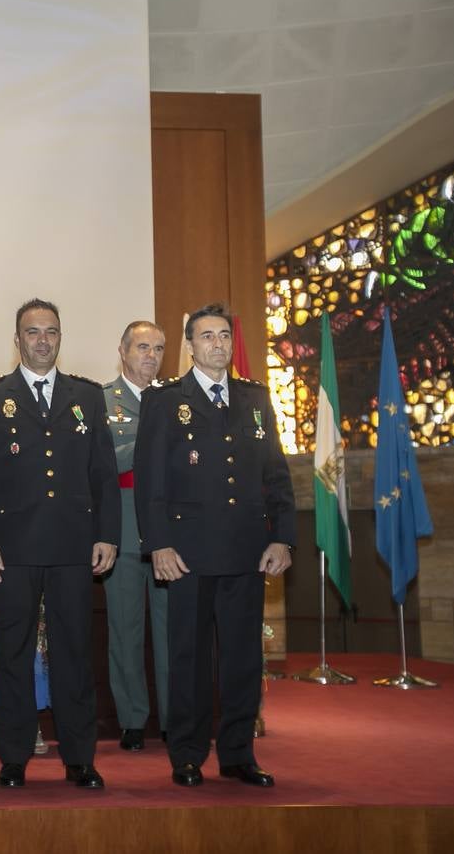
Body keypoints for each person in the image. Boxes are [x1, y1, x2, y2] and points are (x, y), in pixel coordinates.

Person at [134, 303, 295, 788]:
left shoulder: (255, 398)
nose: (218, 344)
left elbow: (276, 476)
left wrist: (283, 537)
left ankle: (238, 754)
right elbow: (150, 481)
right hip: (187, 554)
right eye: (207, 336)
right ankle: (186, 754)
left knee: (243, 659)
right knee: (188, 658)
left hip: (247, 551)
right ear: (189, 346)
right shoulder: (164, 401)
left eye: (224, 335)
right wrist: (158, 544)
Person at [0, 298, 119, 790]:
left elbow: (104, 476)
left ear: (60, 337)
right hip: (13, 549)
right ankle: (13, 756)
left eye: (51, 331)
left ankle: (79, 758)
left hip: (74, 546)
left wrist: (107, 536)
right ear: (18, 339)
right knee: (13, 653)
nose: (42, 340)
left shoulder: (87, 396)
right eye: (33, 332)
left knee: (75, 652)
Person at [101, 321, 170, 752]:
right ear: (123, 351)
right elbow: (104, 461)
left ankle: (173, 716)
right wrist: (149, 448)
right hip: (123, 528)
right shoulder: (101, 401)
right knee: (125, 630)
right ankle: (131, 719)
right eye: (142, 347)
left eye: (159, 348)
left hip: (169, 532)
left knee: (171, 631)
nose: (151, 356)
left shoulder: (175, 401)